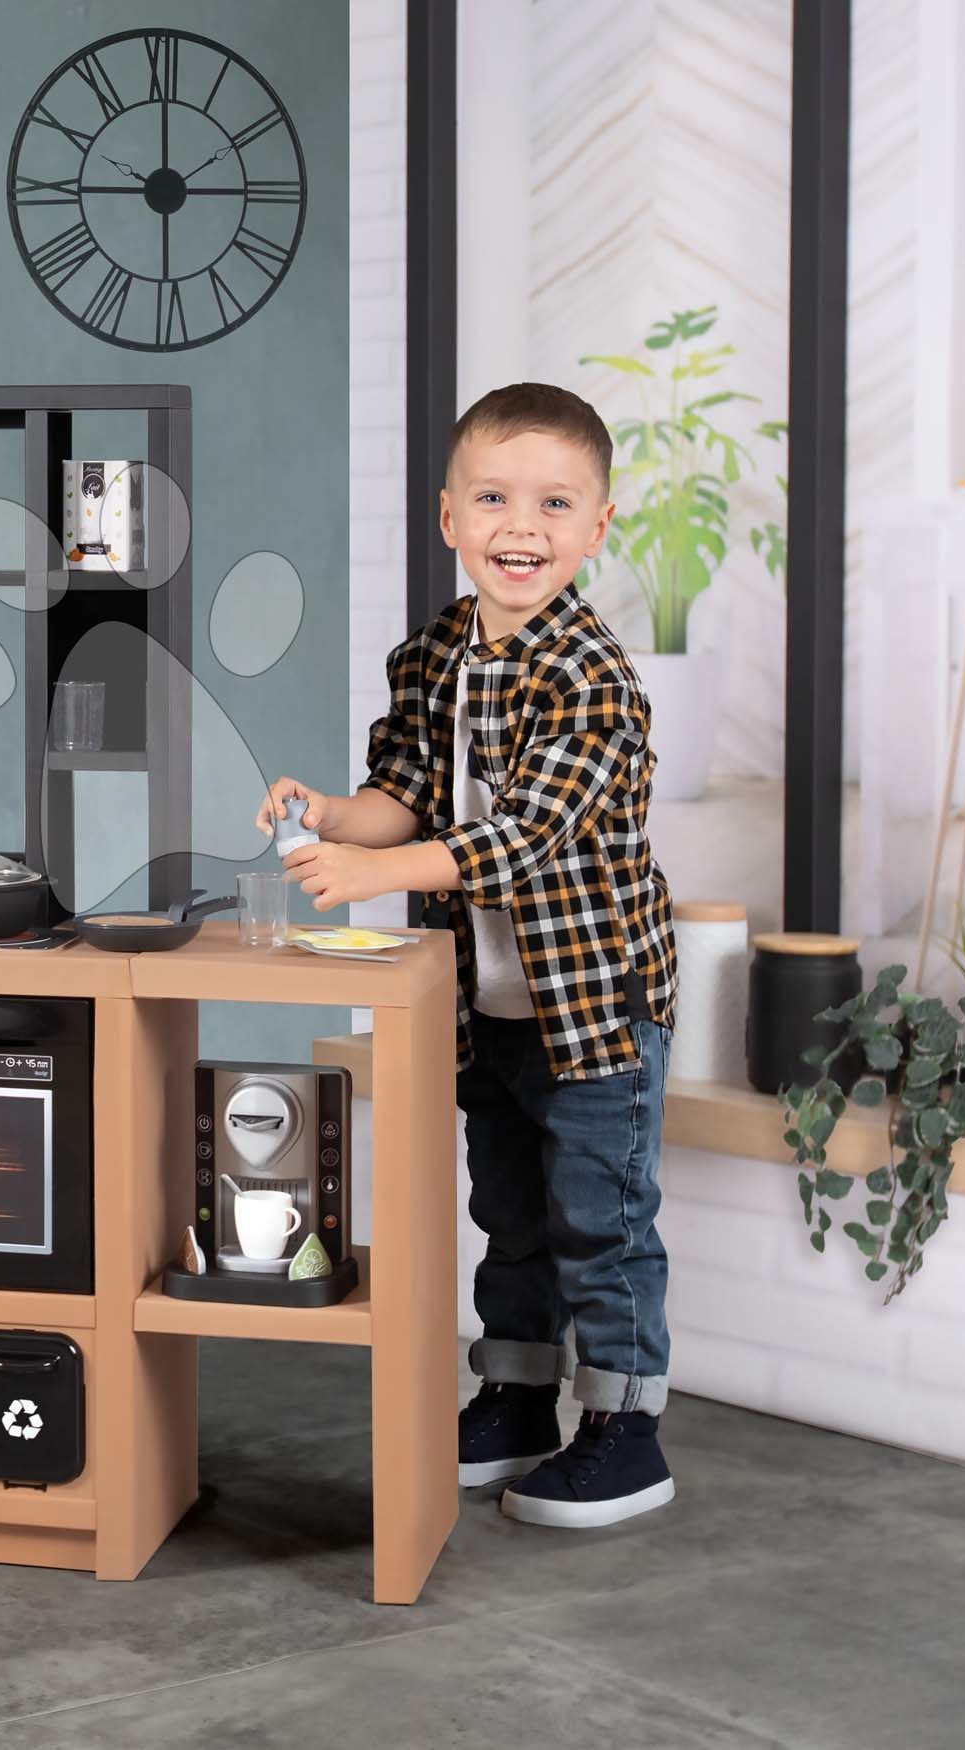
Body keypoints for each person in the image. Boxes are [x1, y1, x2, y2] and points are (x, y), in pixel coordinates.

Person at [256, 382, 679, 1528]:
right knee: (510, 1211)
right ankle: (514, 1397)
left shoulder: (590, 678)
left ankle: (625, 1430)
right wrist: (334, 818)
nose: (520, 527)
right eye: (492, 498)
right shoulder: (437, 650)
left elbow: (526, 837)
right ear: (448, 515)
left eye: (554, 503)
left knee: (600, 1218)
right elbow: (402, 793)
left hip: (592, 1008)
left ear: (597, 527)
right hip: (487, 1005)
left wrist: (376, 876)